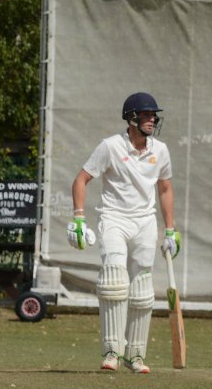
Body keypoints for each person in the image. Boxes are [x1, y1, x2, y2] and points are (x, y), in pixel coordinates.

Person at [69, 92, 180, 374]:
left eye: (153, 115)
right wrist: (79, 219)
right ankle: (111, 352)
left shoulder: (161, 150)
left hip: (144, 222)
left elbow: (165, 189)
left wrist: (171, 230)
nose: (151, 119)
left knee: (142, 289)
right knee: (115, 280)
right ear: (131, 118)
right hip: (114, 218)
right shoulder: (110, 146)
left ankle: (135, 355)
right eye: (145, 115)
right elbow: (81, 180)